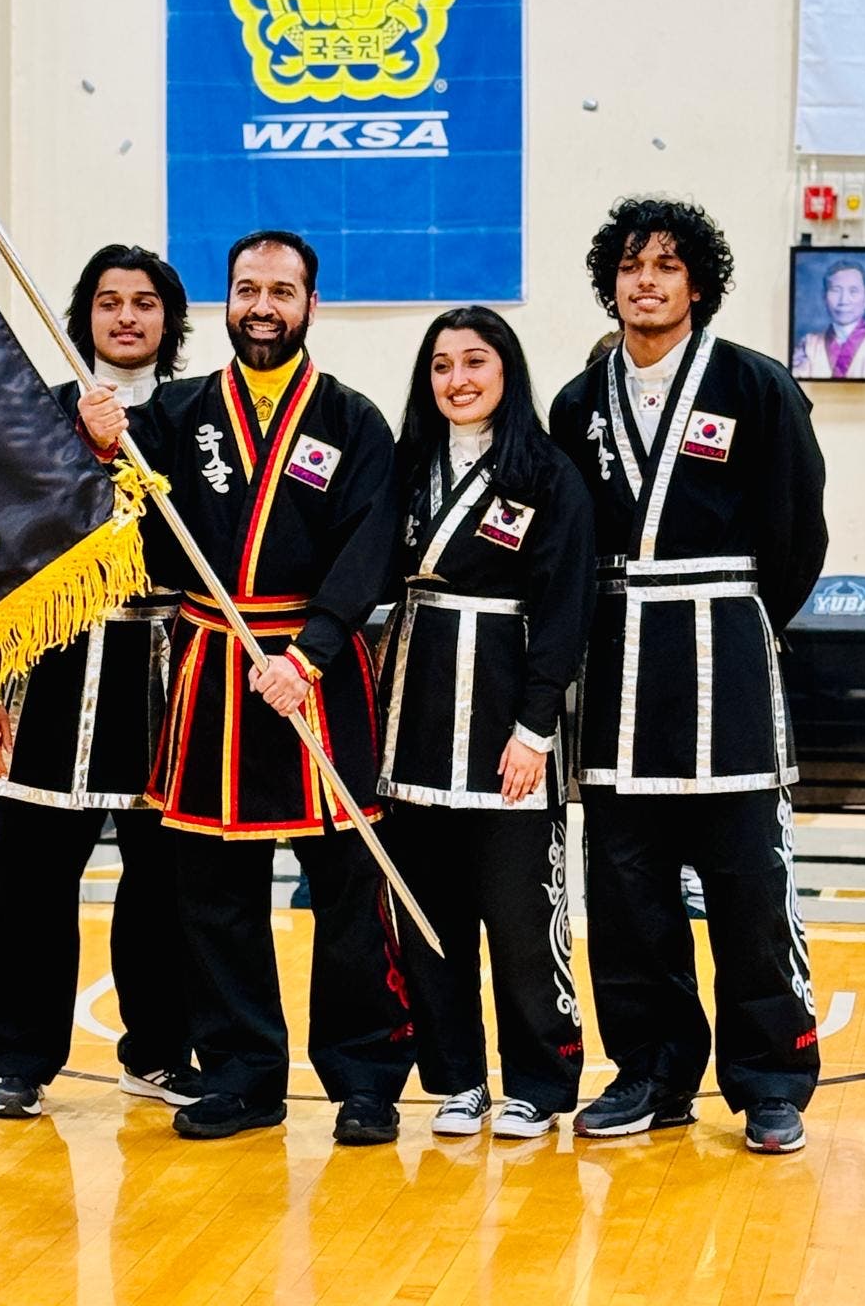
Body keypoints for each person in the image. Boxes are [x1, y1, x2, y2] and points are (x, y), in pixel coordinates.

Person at [79, 230, 414, 1146]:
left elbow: (370, 547)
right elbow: (134, 535)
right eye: (247, 289)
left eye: (281, 291)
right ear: (225, 301)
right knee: (214, 894)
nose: (262, 307)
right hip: (215, 662)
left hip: (315, 671)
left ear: (311, 304)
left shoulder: (353, 421)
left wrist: (310, 652)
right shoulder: (173, 414)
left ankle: (365, 1079)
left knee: (347, 887)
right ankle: (242, 1074)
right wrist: (105, 452)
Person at [550, 197, 828, 1155]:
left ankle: (771, 1079)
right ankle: (651, 1072)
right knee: (627, 893)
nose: (646, 282)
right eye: (631, 267)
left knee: (748, 887)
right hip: (618, 669)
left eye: (666, 266)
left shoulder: (756, 384)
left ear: (698, 284)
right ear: (611, 283)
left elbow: (797, 534)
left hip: (724, 663)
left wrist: (739, 624)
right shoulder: (577, 404)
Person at [0, 245, 201, 1120]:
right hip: (49, 668)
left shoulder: (197, 417)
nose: (126, 317)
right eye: (109, 301)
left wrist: (122, 449)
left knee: (165, 883)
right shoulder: (34, 416)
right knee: (29, 879)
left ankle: (161, 1053)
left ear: (170, 321)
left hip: (164, 670)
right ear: (85, 315)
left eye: (144, 302)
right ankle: (17, 1059)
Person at [378, 307, 594, 1139]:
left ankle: (540, 1081)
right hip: (415, 722)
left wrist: (535, 728)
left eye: (475, 362)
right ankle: (458, 1078)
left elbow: (566, 608)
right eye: (441, 366)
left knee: (521, 915)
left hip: (507, 724)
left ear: (507, 370)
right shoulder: (406, 466)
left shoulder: (547, 474)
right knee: (429, 919)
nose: (458, 380)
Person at [792, 259, 865, 380]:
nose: (843, 300)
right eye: (836, 290)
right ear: (824, 296)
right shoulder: (809, 345)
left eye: (853, 291)